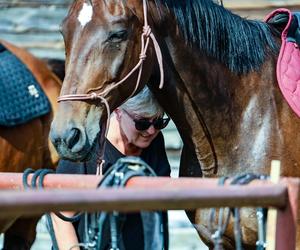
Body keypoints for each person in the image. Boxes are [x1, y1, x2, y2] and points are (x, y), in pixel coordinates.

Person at [50, 86, 171, 250]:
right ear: (118, 111)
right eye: (142, 123)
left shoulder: (155, 142)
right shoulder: (87, 145)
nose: (151, 130)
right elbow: (61, 216)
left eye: (159, 122)